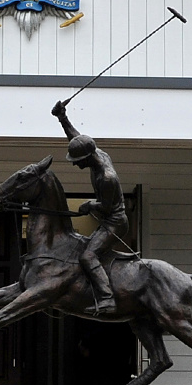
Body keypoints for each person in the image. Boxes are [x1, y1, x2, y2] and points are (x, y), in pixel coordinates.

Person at [51, 101, 129, 315]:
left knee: (88, 257)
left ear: (87, 158)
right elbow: (76, 139)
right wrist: (62, 117)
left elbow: (105, 207)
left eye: (77, 161)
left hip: (115, 222)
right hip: (108, 217)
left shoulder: (107, 178)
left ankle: (107, 298)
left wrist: (88, 205)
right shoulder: (97, 153)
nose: (75, 165)